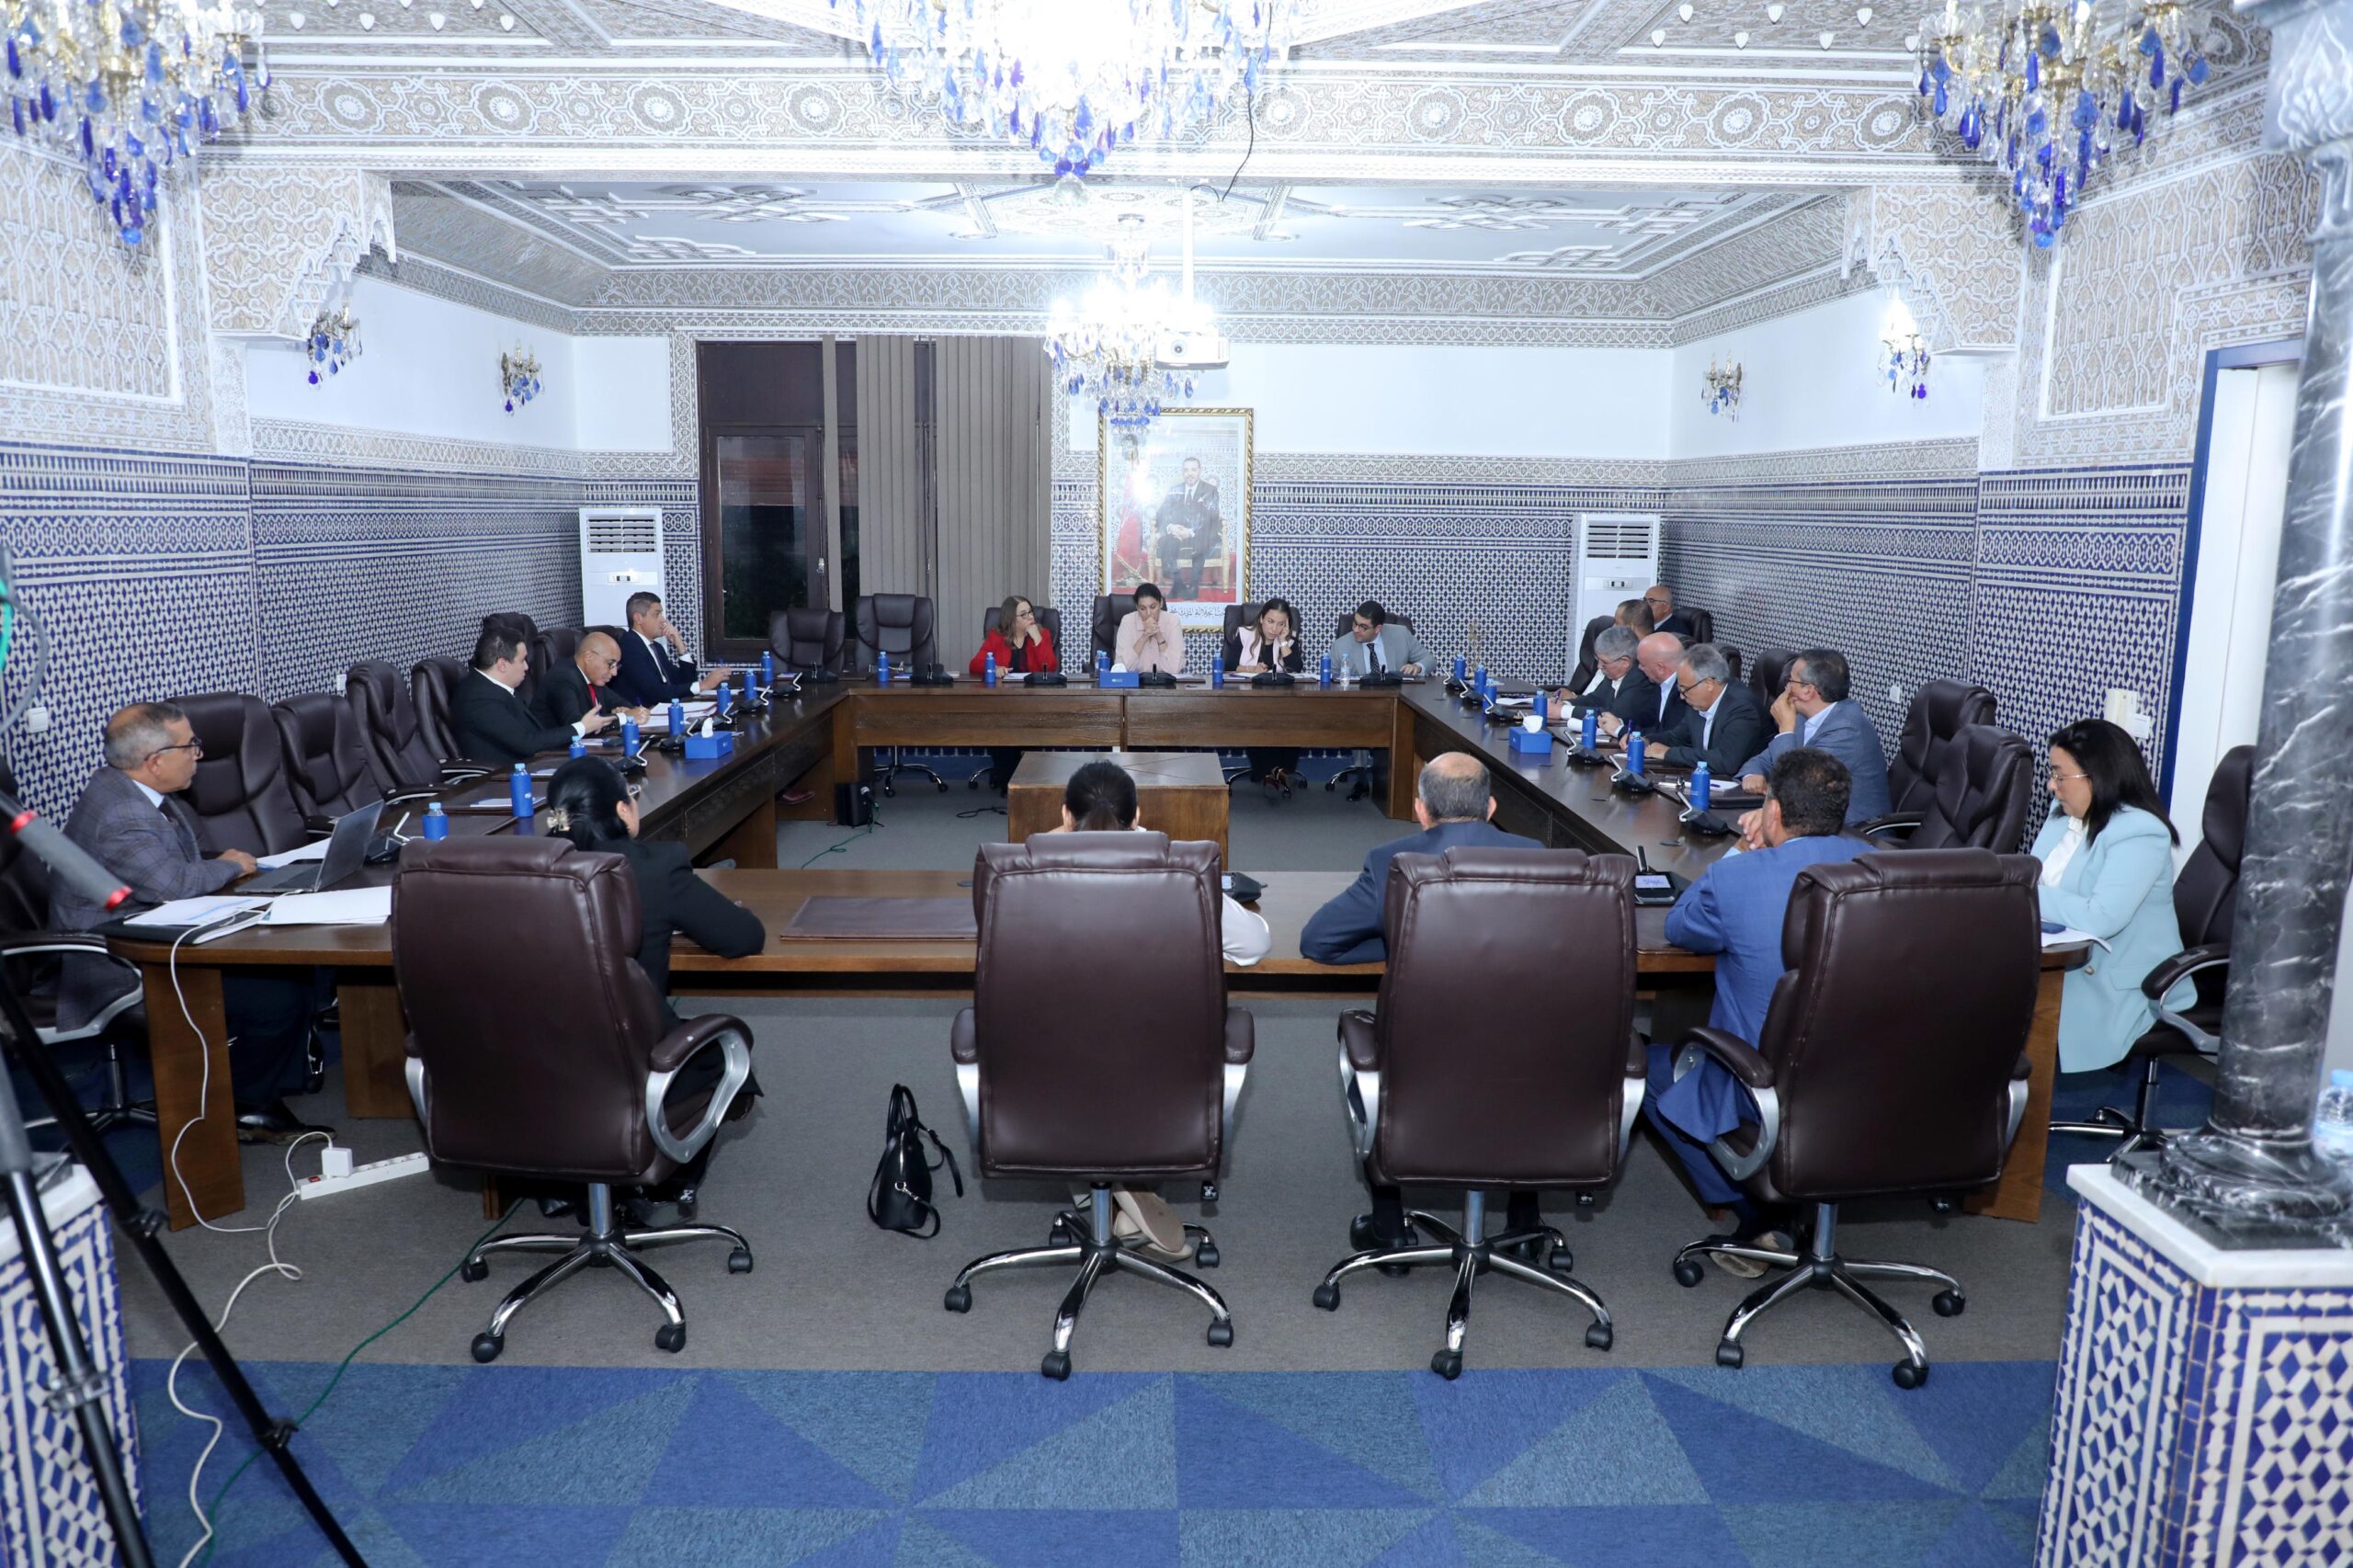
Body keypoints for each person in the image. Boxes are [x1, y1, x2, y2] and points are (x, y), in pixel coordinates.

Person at [51, 704, 331, 1144]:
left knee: (292, 974)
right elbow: (173, 885)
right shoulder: (124, 813)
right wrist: (231, 866)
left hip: (153, 931)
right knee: (275, 997)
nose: (198, 755)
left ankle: (267, 1086)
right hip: (116, 959)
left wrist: (230, 870)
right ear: (155, 762)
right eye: (191, 746)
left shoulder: (134, 791)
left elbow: (173, 872)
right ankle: (243, 1104)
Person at [1302, 753, 1545, 1249]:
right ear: (1491, 808)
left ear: (1420, 810)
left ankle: (1390, 1228)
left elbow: (1319, 942)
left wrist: (1404, 942)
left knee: (1375, 1056)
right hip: (1524, 1055)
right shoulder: (1537, 856)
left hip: (1422, 1056)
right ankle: (1525, 1222)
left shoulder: (1392, 861)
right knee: (1521, 1053)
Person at [1646, 747, 1866, 1272]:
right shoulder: (1882, 867)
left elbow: (1679, 927)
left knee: (1642, 1066)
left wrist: (1741, 852)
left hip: (1765, 1088)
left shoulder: (1738, 878)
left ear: (1774, 811)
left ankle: (1760, 1213)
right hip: (1868, 1081)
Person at [1046, 758, 1270, 1261]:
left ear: (1064, 815)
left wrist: (1055, 838)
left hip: (1057, 1072)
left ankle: (1098, 1190)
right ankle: (1127, 1182)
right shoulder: (1182, 873)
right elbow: (1255, 945)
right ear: (1138, 815)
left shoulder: (1024, 874)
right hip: (1159, 1069)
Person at [542, 756, 765, 1214]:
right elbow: (743, 937)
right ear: (622, 810)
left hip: (539, 1062)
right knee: (721, 1054)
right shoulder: (653, 869)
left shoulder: (524, 870)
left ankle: (572, 1183)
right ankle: (661, 1184)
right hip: (634, 1062)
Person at [2033, 719, 2196, 1073]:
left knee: (2001, 1015)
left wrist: (2026, 894)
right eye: (2052, 773)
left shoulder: (2140, 832)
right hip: (2060, 960)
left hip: (2117, 981)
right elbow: (2036, 878)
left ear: (2096, 776)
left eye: (2060, 776)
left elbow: (2100, 917)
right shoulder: (2061, 817)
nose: (2051, 786)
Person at [1733, 648, 1893, 824]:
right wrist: (1752, 774)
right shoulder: (1803, 717)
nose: (1786, 687)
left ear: (1808, 691)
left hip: (1853, 831)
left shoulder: (1847, 730)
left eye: (1790, 680)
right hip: (1810, 820)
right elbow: (1762, 760)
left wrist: (1786, 728)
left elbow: (1798, 786)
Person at [453, 621, 613, 767]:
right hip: (503, 778)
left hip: (530, 766)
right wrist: (582, 727)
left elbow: (536, 735)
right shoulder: (478, 698)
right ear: (502, 665)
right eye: (522, 660)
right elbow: (526, 744)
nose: (526, 667)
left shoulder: (498, 689)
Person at [971, 595, 1060, 791]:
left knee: (1030, 724)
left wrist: (1037, 639)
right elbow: (975, 664)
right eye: (1024, 614)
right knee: (1000, 723)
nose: (1030, 617)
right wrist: (993, 668)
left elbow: (1050, 667)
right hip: (1003, 703)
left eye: (1031, 612)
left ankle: (1026, 780)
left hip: (1034, 703)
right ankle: (1008, 778)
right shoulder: (996, 637)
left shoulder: (1042, 635)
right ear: (1012, 619)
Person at [1640, 642, 1769, 778]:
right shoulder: (1698, 702)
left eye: (1685, 690)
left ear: (1709, 684)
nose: (1682, 697)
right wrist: (1646, 741)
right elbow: (1677, 738)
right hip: (1707, 778)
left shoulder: (1742, 708)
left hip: (1739, 784)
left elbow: (1726, 762)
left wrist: (1668, 753)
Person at [1223, 597, 1307, 793]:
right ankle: (1279, 773)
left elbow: (1296, 668)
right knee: (1258, 720)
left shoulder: (1289, 640)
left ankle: (1272, 774)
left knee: (1295, 720)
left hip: (1282, 702)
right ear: (1261, 618)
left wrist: (1283, 641)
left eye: (1281, 624)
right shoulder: (1244, 634)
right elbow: (1228, 666)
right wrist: (1250, 669)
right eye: (1270, 621)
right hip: (1248, 702)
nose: (1274, 628)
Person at [612, 591, 727, 708]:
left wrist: (680, 646)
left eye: (661, 614)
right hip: (643, 713)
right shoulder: (629, 647)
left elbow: (685, 683)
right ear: (638, 618)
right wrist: (703, 685)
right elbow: (655, 693)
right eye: (656, 615)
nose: (663, 620)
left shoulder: (657, 648)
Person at [534, 630, 640, 731]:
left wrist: (628, 711)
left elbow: (625, 705)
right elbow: (577, 725)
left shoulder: (594, 678)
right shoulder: (562, 678)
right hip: (555, 744)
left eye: (616, 666)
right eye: (610, 664)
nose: (614, 672)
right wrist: (622, 717)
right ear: (589, 657)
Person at [1154, 456, 1222, 600]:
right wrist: (1171, 527)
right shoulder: (1175, 490)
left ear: (1200, 471)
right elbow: (1162, 513)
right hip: (1178, 533)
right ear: (1182, 472)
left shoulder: (1210, 490)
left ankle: (1193, 588)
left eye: (1193, 470)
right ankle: (1177, 584)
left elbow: (1211, 518)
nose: (1189, 473)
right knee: (1166, 541)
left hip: (1201, 534)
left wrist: (1190, 532)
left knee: (1200, 543)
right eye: (1186, 470)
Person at [1597, 632, 1689, 740]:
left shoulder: (1685, 691)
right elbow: (1648, 719)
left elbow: (1668, 735)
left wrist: (1619, 730)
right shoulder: (1659, 685)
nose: (1639, 668)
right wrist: (1619, 722)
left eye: (1642, 664)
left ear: (1660, 668)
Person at [1566, 625, 1653, 722]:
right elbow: (1593, 700)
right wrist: (1565, 704)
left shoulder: (1640, 680)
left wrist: (1564, 711)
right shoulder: (1612, 675)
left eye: (1604, 662)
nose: (1599, 666)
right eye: (1598, 659)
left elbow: (1613, 715)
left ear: (1625, 662)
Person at [1333, 601, 1426, 679]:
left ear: (1378, 629)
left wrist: (1418, 667)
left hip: (1395, 692)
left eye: (1363, 627)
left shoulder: (1401, 634)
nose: (1356, 630)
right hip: (1359, 694)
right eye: (1355, 624)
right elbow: (1332, 680)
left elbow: (1428, 659)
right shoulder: (1340, 646)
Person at [1113, 581, 1186, 675]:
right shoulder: (1127, 621)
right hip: (1135, 682)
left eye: (1153, 607)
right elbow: (1121, 668)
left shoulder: (1172, 621)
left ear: (1161, 603)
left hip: (1164, 682)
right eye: (1142, 609)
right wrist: (1144, 637)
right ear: (1137, 607)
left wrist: (1159, 636)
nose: (1148, 613)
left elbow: (1175, 669)